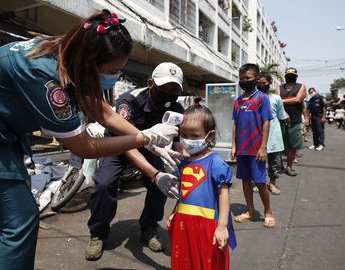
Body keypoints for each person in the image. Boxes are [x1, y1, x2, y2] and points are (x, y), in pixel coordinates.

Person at [0, 10, 180, 270]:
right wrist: (142, 136)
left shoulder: (69, 52)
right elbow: (85, 147)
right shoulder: (45, 79)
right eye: (113, 71)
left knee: (4, 219)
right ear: (91, 62)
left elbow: (102, 111)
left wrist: (147, 141)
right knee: (19, 220)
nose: (115, 76)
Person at [85, 62, 185, 260]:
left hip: (151, 148)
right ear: (151, 83)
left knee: (162, 184)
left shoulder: (176, 109)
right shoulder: (129, 101)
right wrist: (153, 174)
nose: (169, 93)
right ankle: (98, 233)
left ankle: (149, 227)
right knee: (105, 183)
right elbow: (128, 145)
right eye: (164, 88)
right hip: (119, 144)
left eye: (174, 89)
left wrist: (183, 164)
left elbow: (177, 140)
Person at [167, 103, 236, 269]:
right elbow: (184, 192)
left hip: (207, 225)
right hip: (184, 222)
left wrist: (222, 226)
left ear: (210, 136)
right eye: (184, 135)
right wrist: (174, 212)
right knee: (185, 261)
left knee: (207, 263)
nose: (188, 140)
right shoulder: (184, 163)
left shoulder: (215, 162)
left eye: (195, 135)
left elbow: (223, 194)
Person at [231, 63, 275, 228]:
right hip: (242, 150)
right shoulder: (237, 101)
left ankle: (268, 212)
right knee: (245, 181)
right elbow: (235, 124)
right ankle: (250, 211)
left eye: (247, 78)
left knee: (260, 182)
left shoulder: (262, 98)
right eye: (241, 78)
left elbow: (266, 122)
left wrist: (263, 147)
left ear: (256, 79)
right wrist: (233, 146)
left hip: (257, 150)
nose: (244, 81)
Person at [258, 72, 287, 195]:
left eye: (263, 83)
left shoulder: (276, 98)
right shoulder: (254, 98)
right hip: (258, 137)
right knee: (258, 163)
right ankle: (258, 182)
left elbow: (281, 116)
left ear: (269, 83)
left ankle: (272, 183)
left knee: (274, 164)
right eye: (258, 83)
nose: (261, 85)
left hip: (274, 137)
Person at [275, 67, 307, 177]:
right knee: (280, 144)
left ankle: (289, 166)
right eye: (288, 74)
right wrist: (284, 110)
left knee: (292, 146)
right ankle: (279, 166)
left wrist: (281, 100)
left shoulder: (301, 87)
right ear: (285, 76)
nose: (290, 76)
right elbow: (276, 102)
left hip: (295, 121)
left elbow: (298, 99)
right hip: (281, 119)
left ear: (296, 76)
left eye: (292, 74)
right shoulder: (279, 87)